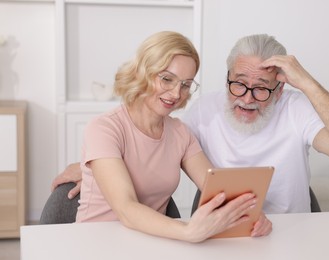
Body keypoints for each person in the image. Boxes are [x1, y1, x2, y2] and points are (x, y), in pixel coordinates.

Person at [53, 33, 329, 214]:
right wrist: (90, 166)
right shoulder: (200, 112)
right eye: (238, 83)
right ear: (226, 78)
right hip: (226, 228)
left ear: (280, 89)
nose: (247, 97)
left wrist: (308, 83)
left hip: (289, 228)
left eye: (262, 89)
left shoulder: (296, 107)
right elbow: (150, 148)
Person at [60, 31, 271, 243]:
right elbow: (126, 208)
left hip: (151, 244)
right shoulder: (104, 128)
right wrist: (188, 231)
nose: (176, 93)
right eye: (167, 79)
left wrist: (250, 214)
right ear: (143, 72)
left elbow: (218, 188)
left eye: (186, 84)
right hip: (95, 244)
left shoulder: (181, 133)